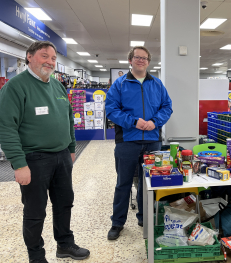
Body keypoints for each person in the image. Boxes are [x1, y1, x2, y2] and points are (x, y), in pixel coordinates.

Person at [0, 41, 90, 263]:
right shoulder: (15, 87)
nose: (50, 62)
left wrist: (70, 149)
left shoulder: (57, 85)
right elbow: (6, 127)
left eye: (53, 58)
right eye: (44, 56)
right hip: (33, 159)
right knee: (35, 211)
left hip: (61, 157)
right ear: (29, 57)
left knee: (64, 203)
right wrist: (19, 164)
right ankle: (36, 256)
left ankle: (65, 244)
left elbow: (69, 118)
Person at [105, 46, 173, 240]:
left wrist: (155, 122)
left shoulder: (157, 84)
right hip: (127, 142)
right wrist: (134, 122)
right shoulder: (119, 84)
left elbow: (167, 107)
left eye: (144, 58)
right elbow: (111, 110)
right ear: (130, 60)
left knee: (148, 183)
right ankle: (117, 223)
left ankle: (144, 218)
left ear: (148, 62)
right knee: (123, 183)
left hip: (152, 142)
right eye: (137, 57)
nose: (141, 60)